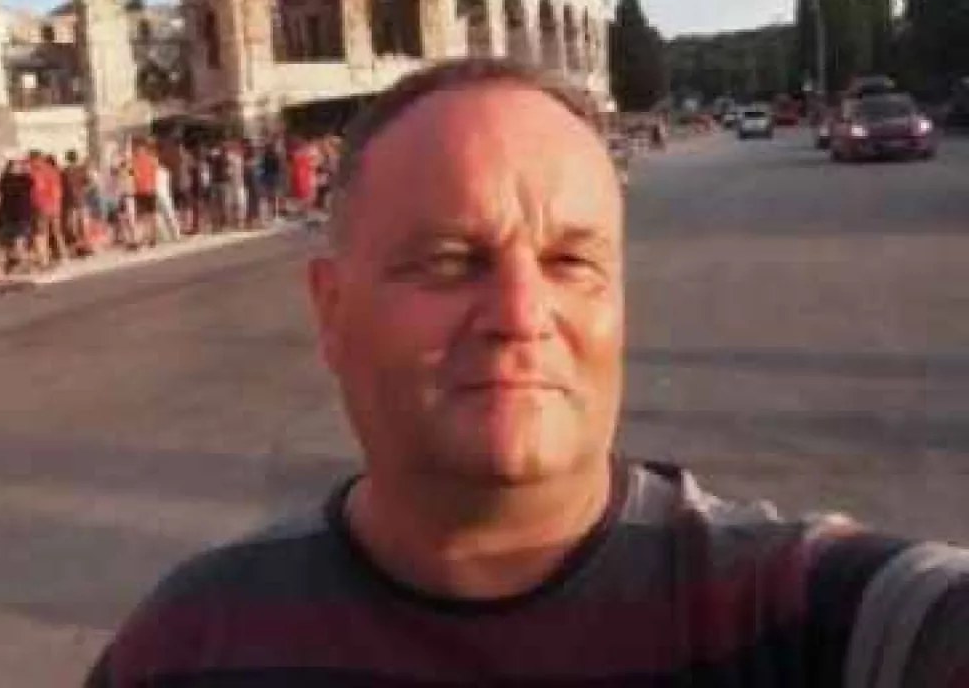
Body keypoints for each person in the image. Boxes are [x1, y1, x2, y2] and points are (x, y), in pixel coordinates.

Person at [84, 59, 968, 688]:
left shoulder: (801, 610)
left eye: (571, 262)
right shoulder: (186, 649)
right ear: (331, 310)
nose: (520, 314)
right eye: (449, 261)